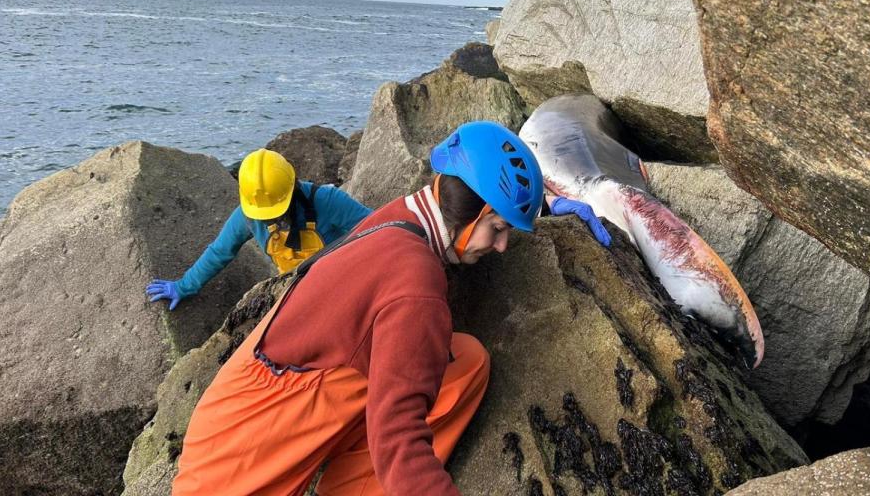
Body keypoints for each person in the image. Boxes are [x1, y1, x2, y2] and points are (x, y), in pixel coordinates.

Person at [170, 121, 610, 496]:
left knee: (464, 362)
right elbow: (398, 440)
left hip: (236, 402)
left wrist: (541, 207)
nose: (500, 246)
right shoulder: (416, 283)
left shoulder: (400, 217)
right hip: (238, 458)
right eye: (497, 228)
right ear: (471, 210)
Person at [146, 148, 371, 310]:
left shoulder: (328, 201)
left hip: (344, 283)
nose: (268, 219)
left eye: (275, 211)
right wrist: (184, 286)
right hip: (295, 289)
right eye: (263, 214)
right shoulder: (248, 216)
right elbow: (219, 252)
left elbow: (379, 226)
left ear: (292, 189)